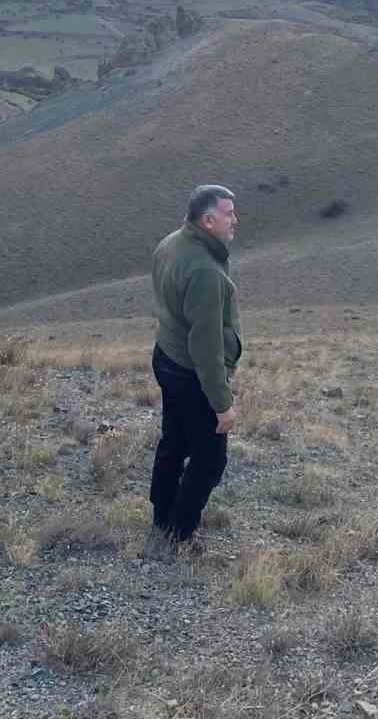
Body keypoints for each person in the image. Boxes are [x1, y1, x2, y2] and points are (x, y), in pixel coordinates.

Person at [147, 184, 242, 554]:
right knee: (209, 459)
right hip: (190, 372)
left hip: (166, 358)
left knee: (174, 440)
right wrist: (222, 404)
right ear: (208, 220)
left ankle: (161, 517)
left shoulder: (171, 242)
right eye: (229, 213)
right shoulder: (205, 271)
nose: (235, 219)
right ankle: (178, 533)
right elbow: (206, 348)